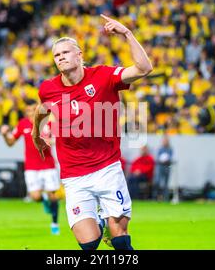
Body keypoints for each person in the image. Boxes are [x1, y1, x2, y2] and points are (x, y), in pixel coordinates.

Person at [32, 14, 153, 250]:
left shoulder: (104, 76)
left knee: (120, 241)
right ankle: (99, 222)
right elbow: (42, 109)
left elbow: (144, 68)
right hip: (74, 176)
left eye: (65, 52)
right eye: (57, 55)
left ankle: (110, 228)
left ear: (79, 55)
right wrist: (37, 134)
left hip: (107, 169)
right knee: (89, 246)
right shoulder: (48, 89)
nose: (61, 58)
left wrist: (127, 33)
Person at [0, 100, 61, 235]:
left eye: (33, 110)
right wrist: (5, 135)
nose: (31, 113)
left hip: (48, 164)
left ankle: (54, 223)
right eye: (28, 111)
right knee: (35, 196)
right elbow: (11, 142)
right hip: (31, 167)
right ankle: (43, 200)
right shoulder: (22, 124)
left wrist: (47, 141)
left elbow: (57, 140)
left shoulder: (47, 122)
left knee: (53, 195)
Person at [152, 136, 174, 201]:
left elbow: (170, 157)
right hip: (160, 167)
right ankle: (155, 197)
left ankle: (166, 198)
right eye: (164, 141)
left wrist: (167, 160)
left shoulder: (170, 149)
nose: (165, 142)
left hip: (167, 167)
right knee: (157, 182)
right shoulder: (160, 149)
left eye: (166, 141)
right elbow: (157, 158)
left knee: (166, 184)